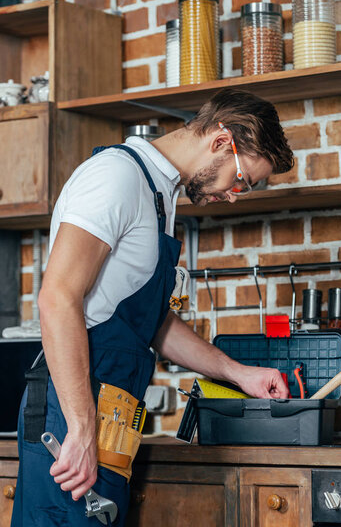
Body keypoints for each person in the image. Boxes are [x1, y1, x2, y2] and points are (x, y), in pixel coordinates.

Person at [12, 88, 294, 526]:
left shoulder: (158, 194)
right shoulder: (116, 178)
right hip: (70, 416)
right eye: (241, 180)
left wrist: (240, 374)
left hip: (110, 418)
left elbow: (153, 322)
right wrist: (82, 428)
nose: (235, 194)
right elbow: (57, 297)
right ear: (221, 142)